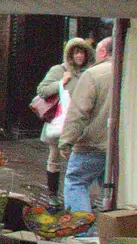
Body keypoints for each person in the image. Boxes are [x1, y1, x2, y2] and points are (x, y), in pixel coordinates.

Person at [59, 37, 114, 214]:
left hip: (93, 144)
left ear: (104, 52)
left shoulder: (93, 74)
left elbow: (78, 112)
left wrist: (66, 141)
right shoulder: (132, 70)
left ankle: (82, 233)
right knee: (115, 191)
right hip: (119, 146)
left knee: (76, 182)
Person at [35, 38, 94, 195]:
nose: (80, 56)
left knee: (78, 161)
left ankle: (76, 195)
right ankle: (53, 194)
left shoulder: (90, 73)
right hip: (59, 122)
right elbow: (42, 90)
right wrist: (61, 82)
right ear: (70, 54)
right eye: (76, 52)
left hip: (82, 123)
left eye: (82, 52)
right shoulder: (59, 70)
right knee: (54, 159)